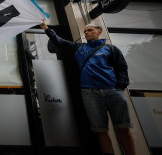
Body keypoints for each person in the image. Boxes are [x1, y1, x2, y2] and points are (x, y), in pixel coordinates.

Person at [40, 19, 136, 155]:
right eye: (85, 31)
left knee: (124, 128)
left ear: (99, 31)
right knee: (100, 130)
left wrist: (121, 86)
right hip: (90, 93)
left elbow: (122, 68)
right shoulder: (79, 48)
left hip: (113, 91)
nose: (86, 33)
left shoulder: (111, 49)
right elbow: (60, 41)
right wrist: (46, 28)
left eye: (90, 30)